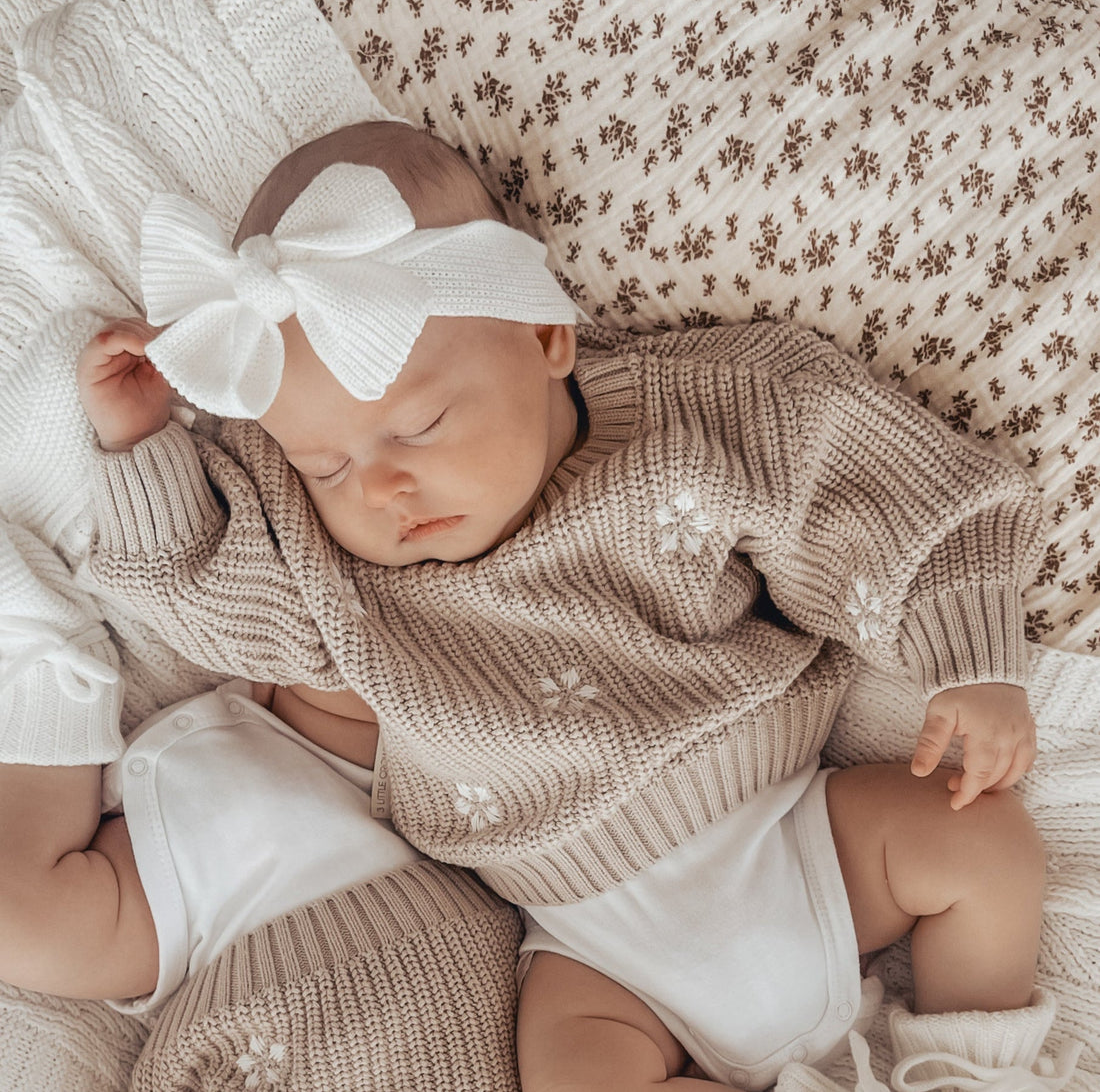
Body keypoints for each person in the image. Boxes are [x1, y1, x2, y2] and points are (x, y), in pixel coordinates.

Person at [76, 119, 1077, 1090]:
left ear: (545, 333)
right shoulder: (339, 582)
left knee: (979, 842)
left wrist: (967, 653)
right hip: (592, 955)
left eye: (419, 427)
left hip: (787, 830)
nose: (380, 489)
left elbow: (857, 480)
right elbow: (206, 593)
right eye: (328, 464)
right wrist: (140, 447)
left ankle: (969, 1072)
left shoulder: (675, 430)